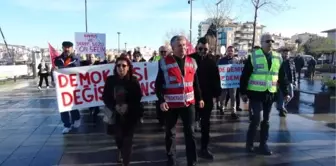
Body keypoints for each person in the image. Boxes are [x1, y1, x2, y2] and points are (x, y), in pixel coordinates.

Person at [155, 35, 204, 166]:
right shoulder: (164, 62)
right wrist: (161, 100)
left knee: (191, 133)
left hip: (188, 104)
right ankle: (171, 160)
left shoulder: (192, 62)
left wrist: (200, 98)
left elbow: (196, 83)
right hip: (171, 105)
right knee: (170, 133)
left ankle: (192, 162)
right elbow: (158, 84)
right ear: (173, 47)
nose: (183, 48)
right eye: (179, 45)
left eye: (184, 45)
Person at [240, 34, 289, 155]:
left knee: (266, 121)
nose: (270, 43)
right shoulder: (254, 56)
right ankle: (249, 143)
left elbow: (282, 77)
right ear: (261, 43)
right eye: (268, 41)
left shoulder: (278, 58)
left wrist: (286, 92)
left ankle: (263, 145)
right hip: (256, 93)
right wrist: (243, 92)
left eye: (272, 41)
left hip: (270, 94)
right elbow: (245, 76)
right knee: (257, 118)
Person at [103, 56, 142, 166]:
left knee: (128, 141)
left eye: (124, 65)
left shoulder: (133, 80)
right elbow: (105, 97)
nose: (121, 68)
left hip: (130, 116)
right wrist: (114, 106)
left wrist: (128, 106)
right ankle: (120, 149)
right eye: (118, 65)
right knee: (119, 138)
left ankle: (126, 162)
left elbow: (138, 97)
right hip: (115, 116)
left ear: (129, 67)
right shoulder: (110, 80)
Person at [189, 37, 221, 160]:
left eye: (206, 49)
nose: (203, 51)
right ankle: (191, 150)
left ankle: (204, 148)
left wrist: (216, 95)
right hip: (191, 96)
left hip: (207, 97)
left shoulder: (211, 61)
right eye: (200, 48)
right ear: (197, 47)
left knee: (206, 125)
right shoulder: (190, 59)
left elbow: (216, 79)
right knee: (190, 125)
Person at [54, 41, 81, 134]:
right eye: (65, 47)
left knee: (73, 104)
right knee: (63, 106)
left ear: (72, 48)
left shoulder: (76, 59)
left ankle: (76, 118)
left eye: (69, 47)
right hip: (62, 86)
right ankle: (66, 124)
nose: (67, 49)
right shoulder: (57, 59)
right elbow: (54, 71)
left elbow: (79, 69)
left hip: (73, 86)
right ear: (62, 48)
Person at [217, 46, 240, 119]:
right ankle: (222, 107)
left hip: (233, 82)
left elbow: (239, 70)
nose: (230, 52)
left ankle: (233, 111)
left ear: (234, 52)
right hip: (224, 81)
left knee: (233, 96)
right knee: (223, 95)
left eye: (232, 51)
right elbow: (217, 69)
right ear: (227, 51)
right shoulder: (221, 60)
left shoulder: (236, 60)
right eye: (229, 51)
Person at [152, 46, 169, 129]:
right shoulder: (155, 63)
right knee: (159, 104)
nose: (163, 53)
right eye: (161, 52)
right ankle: (161, 122)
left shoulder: (171, 62)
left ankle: (167, 122)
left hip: (168, 88)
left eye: (164, 51)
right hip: (159, 87)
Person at [277, 49, 296, 117]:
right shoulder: (279, 61)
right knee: (282, 96)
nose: (286, 55)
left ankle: (281, 106)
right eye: (285, 53)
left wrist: (295, 81)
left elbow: (294, 72)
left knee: (291, 95)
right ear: (282, 54)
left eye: (287, 54)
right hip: (281, 82)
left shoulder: (291, 62)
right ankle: (281, 109)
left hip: (290, 81)